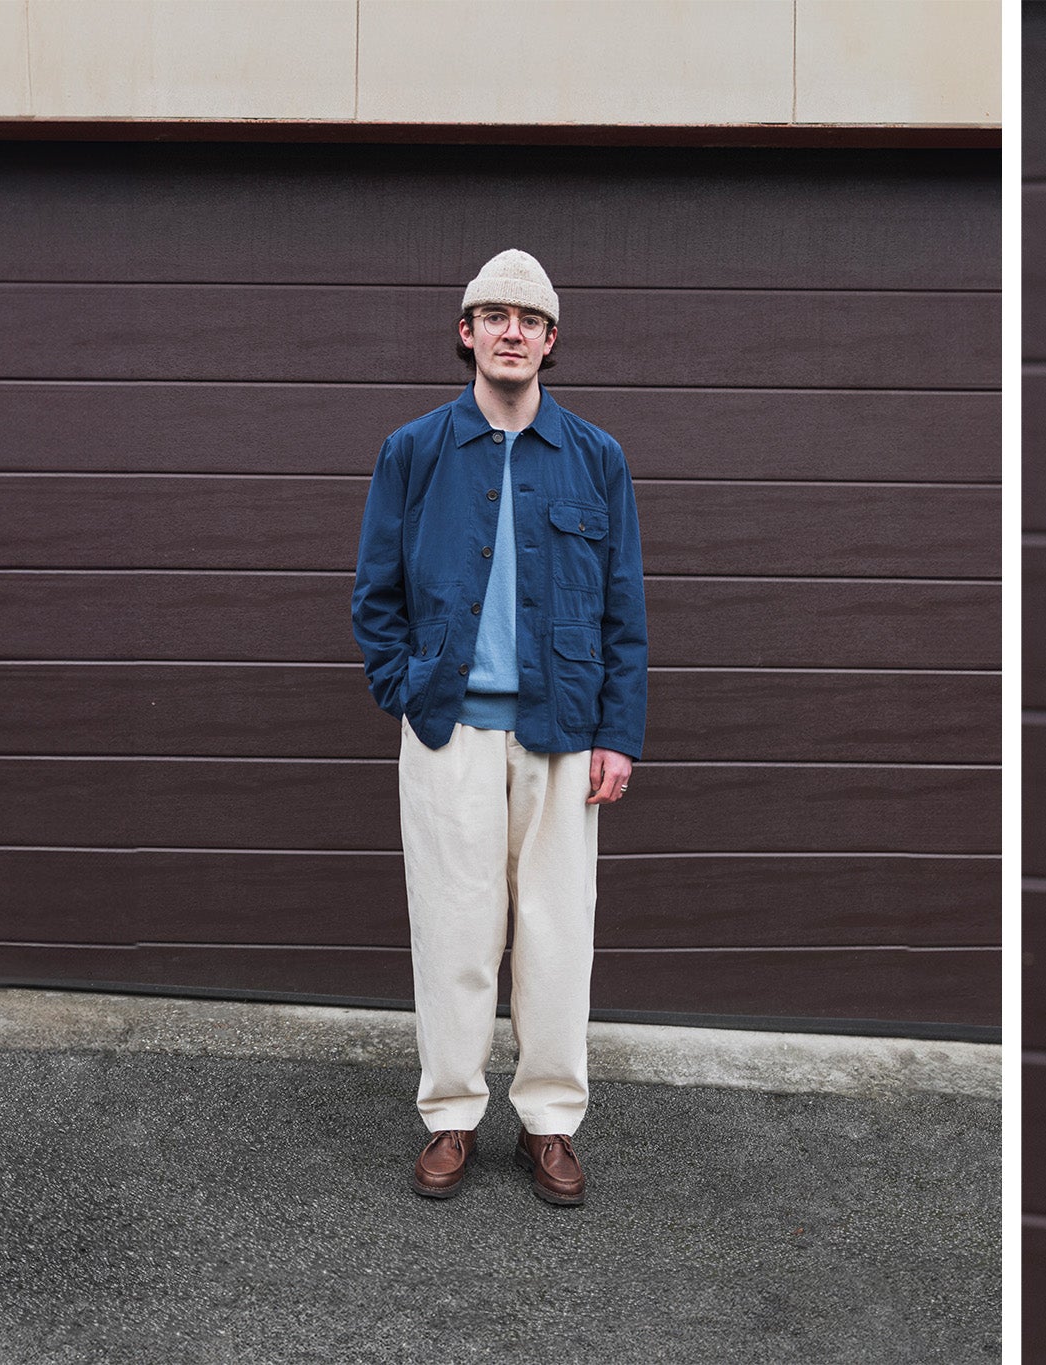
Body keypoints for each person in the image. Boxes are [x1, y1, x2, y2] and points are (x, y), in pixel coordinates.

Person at [351, 248, 648, 1207]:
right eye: (495, 315)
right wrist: (404, 687)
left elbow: (623, 611)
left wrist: (619, 731)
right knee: (453, 930)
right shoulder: (415, 450)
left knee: (561, 934)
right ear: (467, 333)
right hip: (448, 734)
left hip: (564, 735)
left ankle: (551, 1123)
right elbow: (376, 593)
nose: (512, 331)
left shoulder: (596, 459)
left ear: (551, 341)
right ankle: (450, 1116)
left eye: (531, 319)